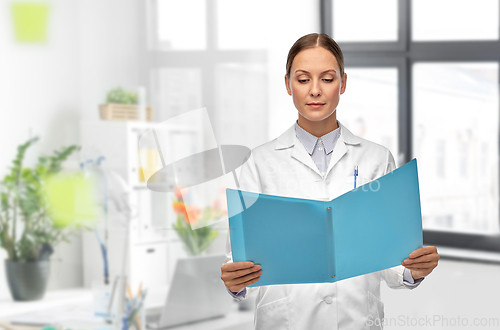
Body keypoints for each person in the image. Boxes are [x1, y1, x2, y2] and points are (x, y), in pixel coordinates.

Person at [220, 33, 439, 330]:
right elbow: (243, 257)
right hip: (286, 321)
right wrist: (236, 281)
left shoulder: (377, 158)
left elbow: (388, 258)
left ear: (343, 83)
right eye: (302, 79)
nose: (315, 91)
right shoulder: (259, 162)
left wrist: (414, 268)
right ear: (287, 84)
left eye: (327, 79)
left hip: (357, 319)